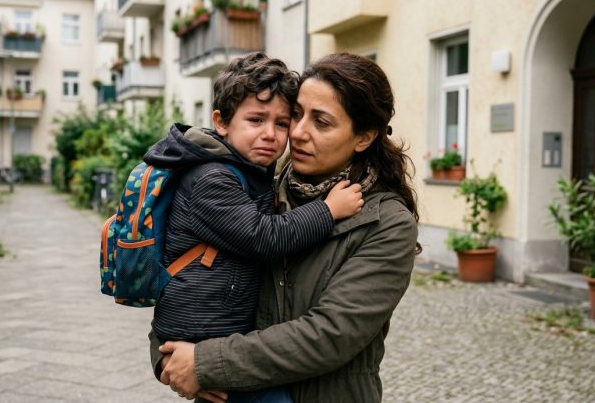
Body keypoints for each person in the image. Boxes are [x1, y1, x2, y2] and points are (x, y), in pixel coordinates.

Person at [152, 52, 421, 403]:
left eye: (321, 122)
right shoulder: (259, 186)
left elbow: (329, 335)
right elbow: (185, 280)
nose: (296, 132)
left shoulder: (385, 223)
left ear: (363, 137)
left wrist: (203, 363)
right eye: (296, 115)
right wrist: (166, 357)